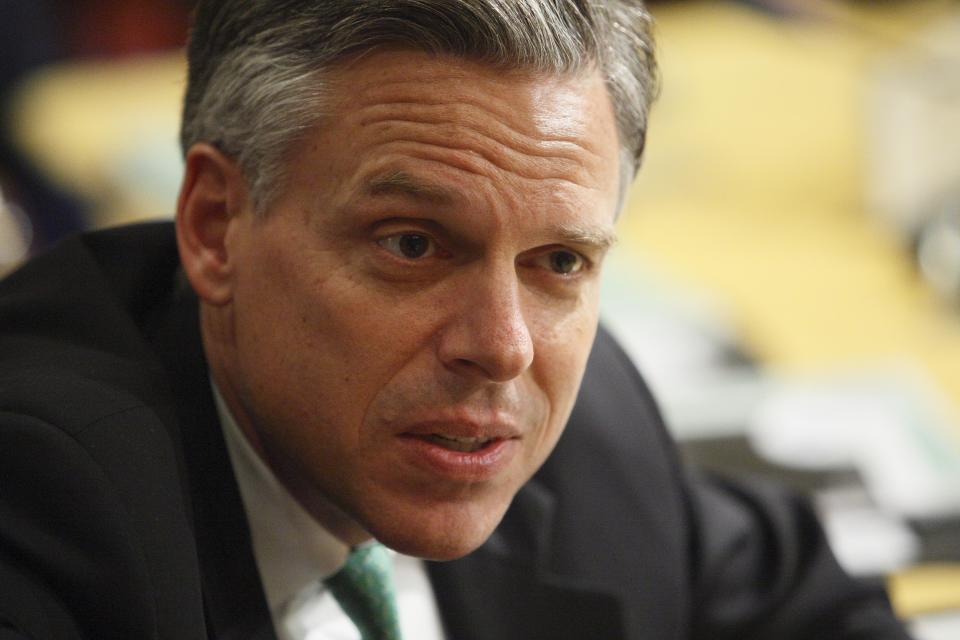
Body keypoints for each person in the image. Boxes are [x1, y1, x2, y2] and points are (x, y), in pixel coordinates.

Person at [0, 1, 914, 639]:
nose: (504, 347)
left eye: (560, 261)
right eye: (412, 245)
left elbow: (801, 599)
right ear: (214, 227)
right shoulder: (46, 517)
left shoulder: (590, 433)